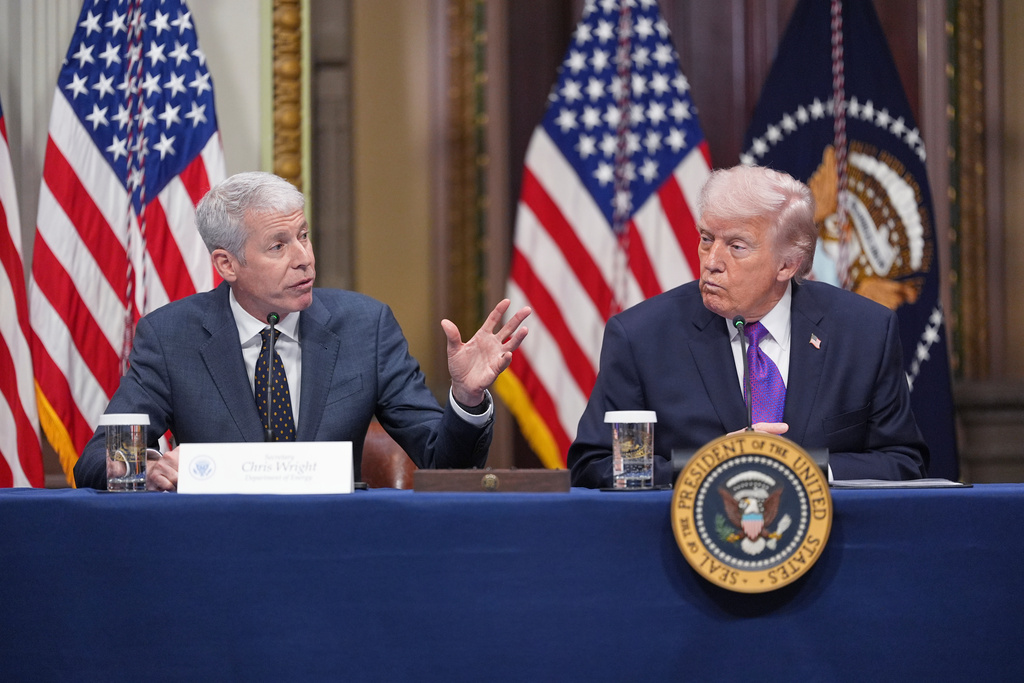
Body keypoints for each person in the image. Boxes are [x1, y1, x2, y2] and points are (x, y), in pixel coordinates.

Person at [75, 171, 530, 490]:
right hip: (219, 552)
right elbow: (97, 459)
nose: (304, 258)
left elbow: (443, 462)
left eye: (304, 236)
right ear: (227, 264)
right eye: (279, 245)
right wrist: (145, 465)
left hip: (335, 552)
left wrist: (468, 398)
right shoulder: (171, 336)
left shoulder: (365, 327)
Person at [567, 165, 928, 488]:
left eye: (736, 246)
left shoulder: (864, 332)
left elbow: (904, 461)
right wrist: (713, 464)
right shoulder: (641, 338)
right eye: (706, 239)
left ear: (788, 265)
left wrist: (805, 467)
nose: (711, 262)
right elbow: (594, 466)